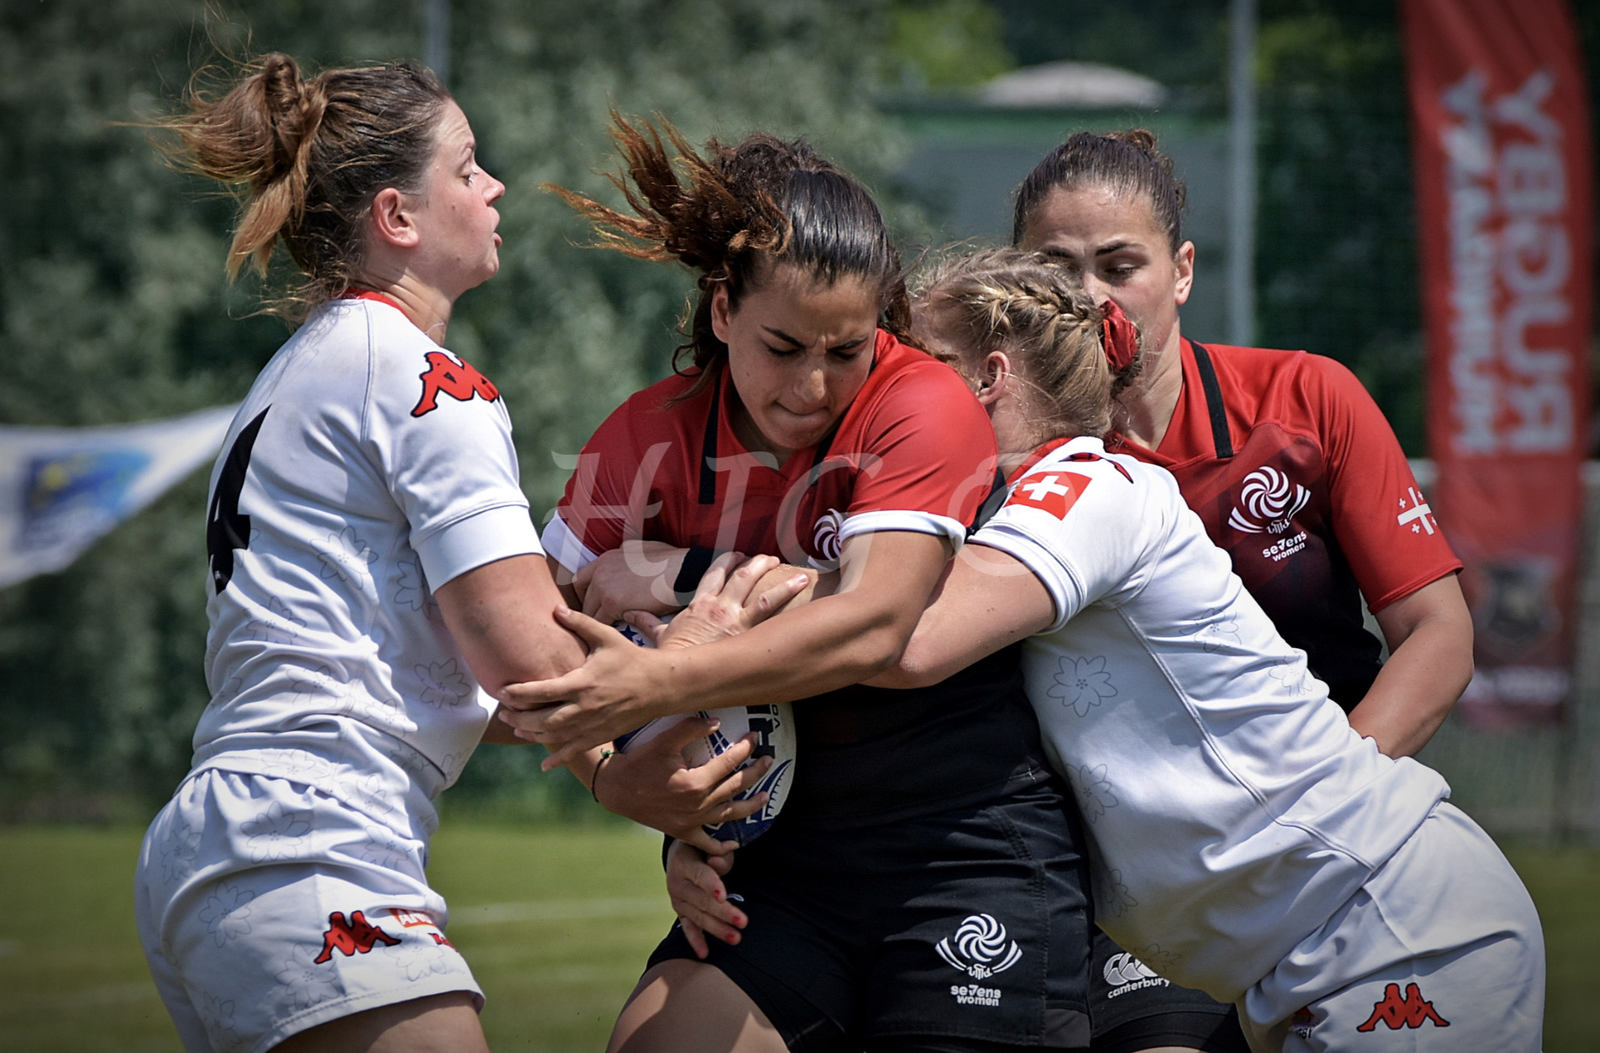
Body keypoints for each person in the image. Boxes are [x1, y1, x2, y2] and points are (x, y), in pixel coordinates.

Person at [659, 249, 1544, 1052]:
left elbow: (902, 640)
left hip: (1393, 922)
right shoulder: (992, 532)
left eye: (909, 372)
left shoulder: (1088, 485)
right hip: (1299, 959)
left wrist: (690, 581)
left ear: (986, 380)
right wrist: (705, 832)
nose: (880, 402)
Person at [132, 55, 757, 1053]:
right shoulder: (426, 379)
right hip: (312, 842)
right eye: (467, 169)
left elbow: (450, 679)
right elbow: (531, 658)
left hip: (231, 841)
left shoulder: (299, 367)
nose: (494, 185)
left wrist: (609, 761)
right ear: (399, 217)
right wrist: (708, 656)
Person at [510, 116, 1095, 1052]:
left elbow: (874, 627)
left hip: (961, 850)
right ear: (720, 311)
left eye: (846, 350)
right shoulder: (643, 438)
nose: (815, 386)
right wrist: (614, 781)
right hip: (771, 873)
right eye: (783, 348)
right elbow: (524, 661)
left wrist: (666, 655)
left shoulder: (923, 404)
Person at [1001, 130, 1476, 1053]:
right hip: (1133, 886)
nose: (1090, 294)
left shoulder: (1308, 401)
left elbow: (1439, 632)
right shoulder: (1000, 464)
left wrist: (1311, 814)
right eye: (1054, 268)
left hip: (1330, 865)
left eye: (1119, 263)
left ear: (1180, 272)